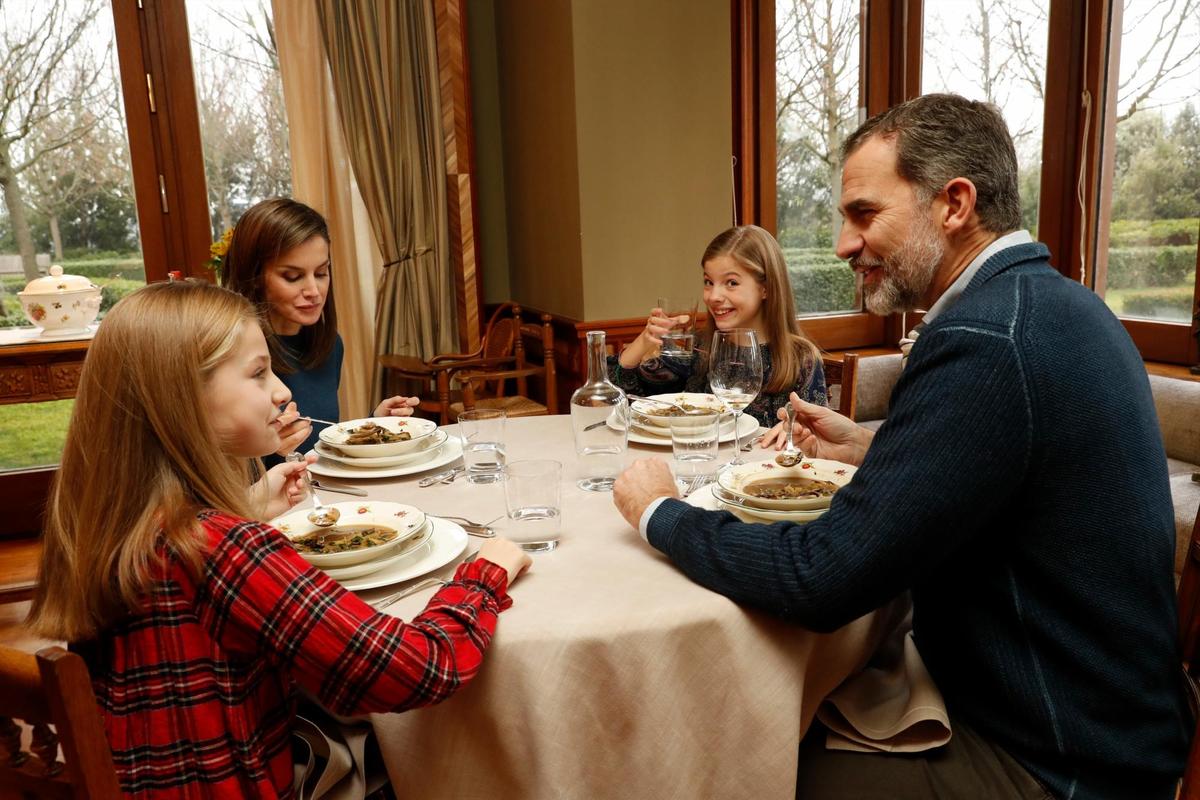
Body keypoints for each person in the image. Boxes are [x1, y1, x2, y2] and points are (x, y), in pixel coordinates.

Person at [612, 93, 1188, 799]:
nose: (843, 245)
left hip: (1062, 759)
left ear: (953, 204)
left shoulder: (982, 340)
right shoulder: (1058, 303)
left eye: (864, 214)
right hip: (1108, 719)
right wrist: (875, 451)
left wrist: (659, 513)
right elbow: (1007, 473)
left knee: (740, 762)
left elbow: (821, 579)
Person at [25, 280, 532, 798]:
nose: (283, 391)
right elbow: (416, 669)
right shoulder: (223, 550)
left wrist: (246, 508)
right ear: (181, 397)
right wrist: (484, 574)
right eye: (258, 373)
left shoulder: (108, 521)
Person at [221, 197, 421, 463]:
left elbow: (319, 444)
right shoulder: (229, 354)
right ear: (255, 278)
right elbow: (213, 477)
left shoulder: (330, 347)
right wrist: (268, 449)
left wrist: (373, 426)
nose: (314, 292)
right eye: (292, 277)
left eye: (321, 273)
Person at [607, 225, 827, 427]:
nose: (713, 296)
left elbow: (814, 441)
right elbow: (621, 397)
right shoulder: (698, 348)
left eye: (731, 283)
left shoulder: (801, 359)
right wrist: (644, 340)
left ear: (766, 288)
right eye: (708, 282)